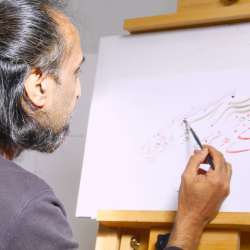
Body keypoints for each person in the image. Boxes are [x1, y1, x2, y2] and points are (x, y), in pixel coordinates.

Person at [0, 0, 232, 249]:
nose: (78, 91)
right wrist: (192, 220)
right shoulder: (27, 210)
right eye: (75, 72)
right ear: (38, 86)